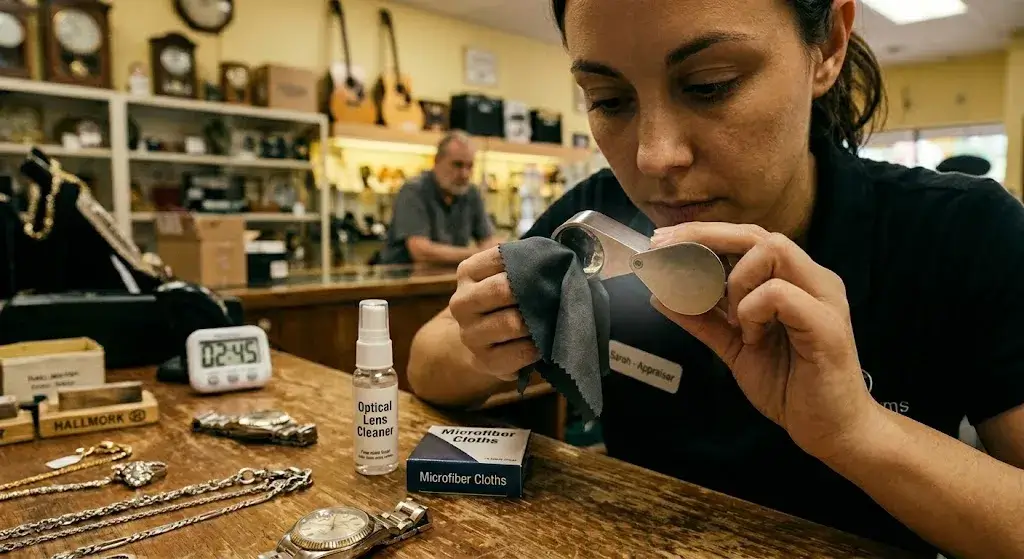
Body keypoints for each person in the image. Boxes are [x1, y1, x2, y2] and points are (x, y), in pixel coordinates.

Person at [406, 1, 1024, 558]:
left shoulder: (960, 230)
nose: (655, 158)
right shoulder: (598, 221)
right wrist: (492, 332)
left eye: (709, 86)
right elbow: (429, 363)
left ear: (828, 47)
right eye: (609, 100)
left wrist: (857, 431)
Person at [376, 131, 499, 265]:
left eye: (469, 166)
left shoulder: (471, 193)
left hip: (447, 278)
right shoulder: (414, 190)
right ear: (437, 161)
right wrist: (477, 253)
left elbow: (488, 241)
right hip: (403, 280)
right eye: (457, 165)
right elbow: (421, 251)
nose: (464, 174)